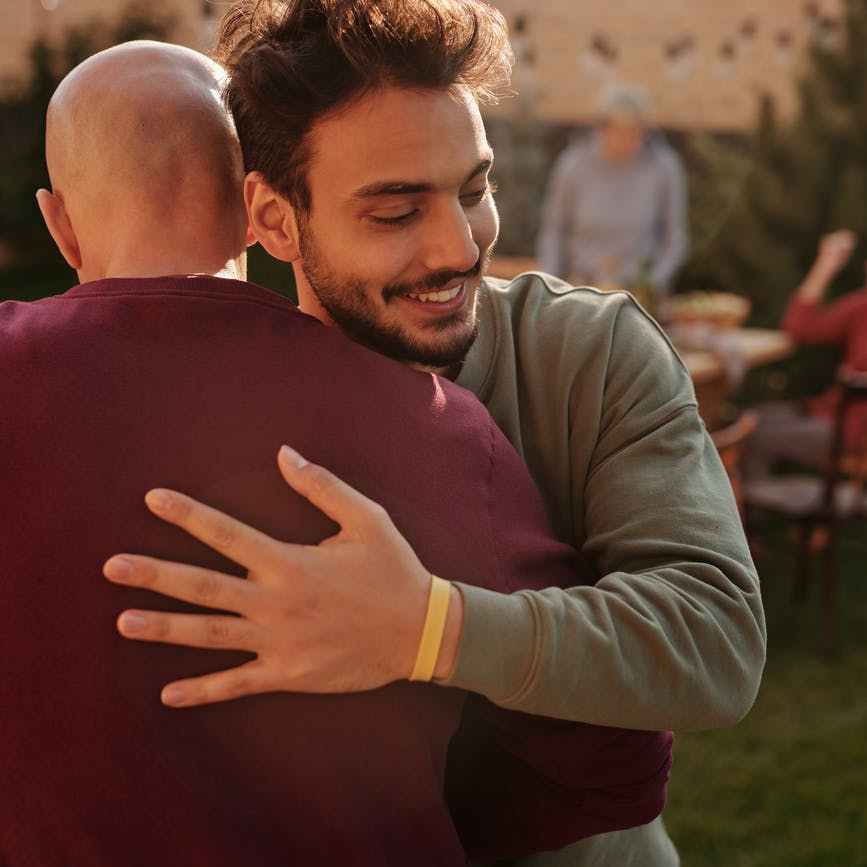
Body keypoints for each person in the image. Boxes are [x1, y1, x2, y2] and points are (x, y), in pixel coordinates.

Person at [103, 3, 765, 866]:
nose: (459, 247)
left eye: (474, 191)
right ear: (273, 217)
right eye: (396, 211)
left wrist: (429, 628)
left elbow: (716, 641)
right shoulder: (220, 410)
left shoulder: (590, 354)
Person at [536, 83, 689, 296]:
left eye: (635, 131)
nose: (628, 139)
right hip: (581, 286)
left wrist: (653, 283)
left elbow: (675, 238)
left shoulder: (664, 167)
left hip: (639, 288)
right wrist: (550, 285)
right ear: (602, 128)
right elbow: (554, 231)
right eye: (620, 130)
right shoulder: (573, 165)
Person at [743, 229, 867, 482]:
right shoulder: (862, 306)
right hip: (829, 415)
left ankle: (743, 506)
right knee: (748, 418)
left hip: (850, 434)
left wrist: (855, 380)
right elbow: (799, 327)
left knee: (747, 435)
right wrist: (826, 264)